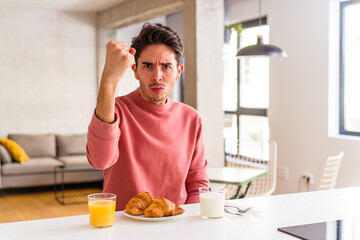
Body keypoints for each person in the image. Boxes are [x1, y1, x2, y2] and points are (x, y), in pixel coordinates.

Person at [86, 22, 209, 211]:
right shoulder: (115, 109)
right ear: (135, 71)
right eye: (148, 66)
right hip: (123, 225)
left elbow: (197, 182)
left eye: (166, 66)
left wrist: (190, 223)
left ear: (178, 72)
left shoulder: (191, 118)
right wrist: (108, 81)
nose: (157, 76)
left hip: (176, 224)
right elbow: (99, 161)